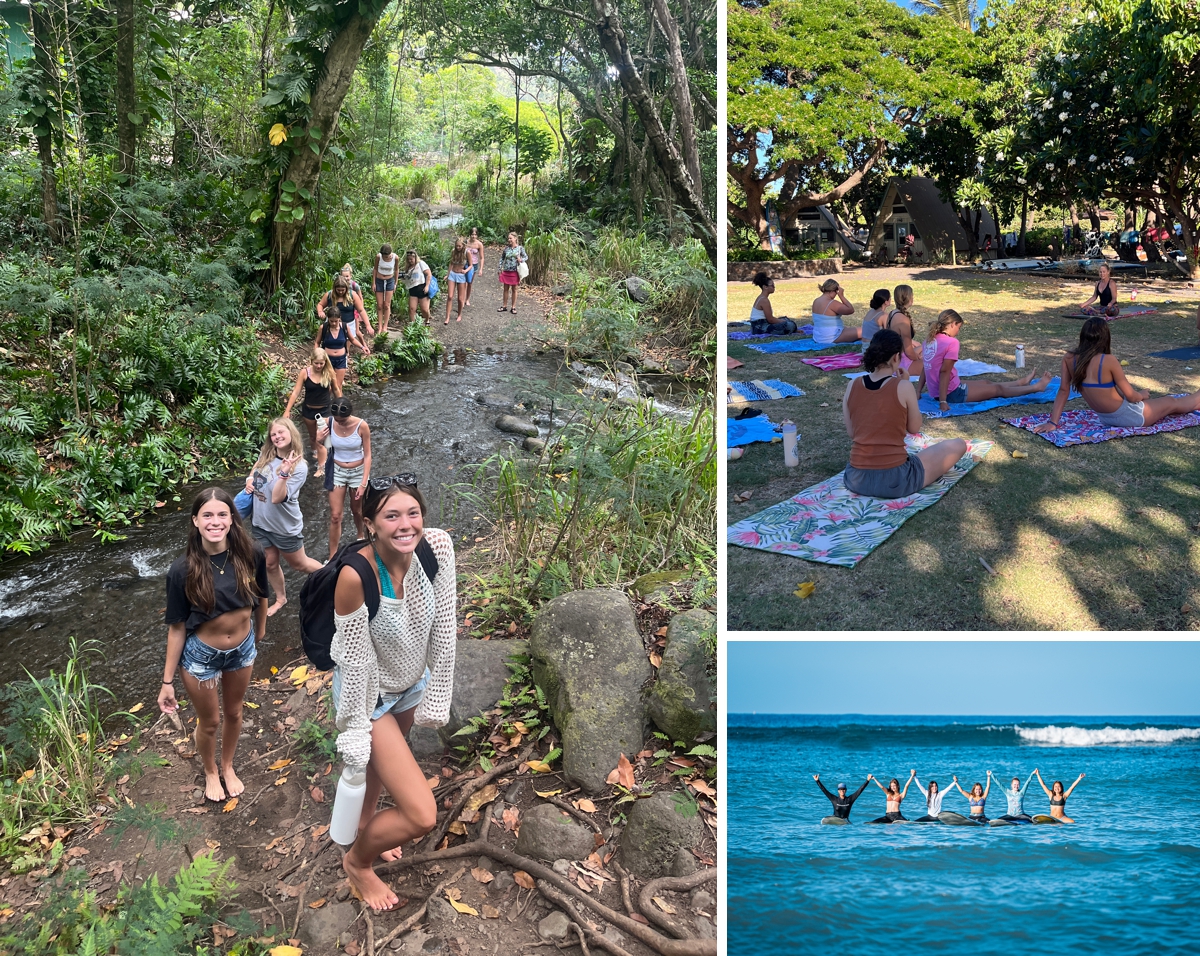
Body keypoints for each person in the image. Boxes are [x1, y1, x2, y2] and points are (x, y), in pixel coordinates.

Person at [331, 475, 456, 909]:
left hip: (410, 684)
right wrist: (356, 730)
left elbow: (444, 625)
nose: (405, 525)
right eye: (391, 516)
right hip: (370, 695)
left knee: (383, 770)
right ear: (370, 524)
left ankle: (367, 825)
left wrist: (435, 690)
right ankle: (357, 863)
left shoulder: (436, 547)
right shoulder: (355, 576)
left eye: (413, 513)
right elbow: (355, 665)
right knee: (421, 815)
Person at [159, 488, 267, 802]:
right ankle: (209, 770)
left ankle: (228, 765)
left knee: (234, 713)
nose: (215, 521)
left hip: (243, 649)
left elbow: (261, 597)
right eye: (207, 515)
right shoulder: (182, 570)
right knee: (211, 720)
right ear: (195, 521)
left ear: (233, 519)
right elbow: (177, 628)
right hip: (201, 657)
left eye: (222, 514)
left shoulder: (252, 553)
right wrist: (167, 682)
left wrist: (259, 632)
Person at [840, 330, 970, 499]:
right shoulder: (903, 386)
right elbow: (914, 427)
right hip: (895, 480)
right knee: (958, 444)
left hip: (855, 478)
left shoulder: (852, 385)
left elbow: (852, 433)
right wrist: (905, 386)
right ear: (896, 357)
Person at [1034, 317, 1200, 433]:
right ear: (1105, 338)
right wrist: (1142, 394)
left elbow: (1063, 391)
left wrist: (1052, 423)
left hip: (1106, 419)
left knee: (1169, 407)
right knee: (1171, 401)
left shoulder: (1069, 358)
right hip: (1132, 417)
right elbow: (1132, 397)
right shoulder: (1108, 360)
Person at [246, 418, 323, 616]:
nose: (278, 437)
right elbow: (256, 467)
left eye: (281, 432)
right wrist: (249, 478)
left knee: (300, 564)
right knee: (270, 563)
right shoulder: (267, 454)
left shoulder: (300, 467)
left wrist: (284, 473)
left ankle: (331, 574)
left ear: (291, 434)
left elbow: (277, 497)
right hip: (261, 523)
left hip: (284, 527)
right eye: (274, 434)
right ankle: (281, 598)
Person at [917, 309, 1051, 411]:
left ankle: (1020, 382)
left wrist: (918, 391)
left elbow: (926, 367)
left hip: (942, 389)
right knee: (997, 389)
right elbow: (944, 372)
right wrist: (943, 401)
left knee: (986, 382)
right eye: (959, 327)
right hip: (951, 393)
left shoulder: (929, 340)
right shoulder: (952, 342)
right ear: (952, 324)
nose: (958, 331)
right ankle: (1035, 387)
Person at [317, 397, 372, 559]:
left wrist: (363, 483)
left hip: (358, 471)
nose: (339, 423)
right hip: (337, 470)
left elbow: (368, 455)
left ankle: (361, 536)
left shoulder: (362, 426)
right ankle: (333, 556)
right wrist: (320, 439)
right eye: (337, 420)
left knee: (357, 510)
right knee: (335, 516)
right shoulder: (326, 422)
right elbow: (322, 445)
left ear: (350, 414)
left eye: (343, 420)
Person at [283, 348, 340, 470]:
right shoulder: (304, 373)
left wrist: (341, 404)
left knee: (322, 438)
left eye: (321, 363)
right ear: (311, 361)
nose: (319, 366)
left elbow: (336, 389)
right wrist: (287, 410)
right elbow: (296, 392)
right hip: (308, 410)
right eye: (316, 363)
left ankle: (322, 466)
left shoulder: (329, 372)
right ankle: (316, 455)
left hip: (325, 410)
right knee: (313, 436)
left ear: (325, 362)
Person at [315, 300, 366, 393]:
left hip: (341, 360)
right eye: (331, 321)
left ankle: (339, 405)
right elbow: (317, 342)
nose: (334, 323)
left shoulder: (345, 327)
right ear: (328, 319)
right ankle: (325, 404)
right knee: (327, 385)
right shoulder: (324, 328)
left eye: (336, 321)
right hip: (327, 360)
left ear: (340, 319)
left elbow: (352, 339)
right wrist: (316, 355)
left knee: (338, 386)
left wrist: (362, 347)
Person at [317, 275, 371, 343]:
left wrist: (368, 325)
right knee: (330, 342)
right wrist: (320, 311)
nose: (340, 292)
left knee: (347, 343)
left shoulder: (353, 295)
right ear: (334, 288)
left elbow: (361, 310)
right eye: (338, 290)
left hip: (349, 324)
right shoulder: (329, 295)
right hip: (332, 323)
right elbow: (320, 304)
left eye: (342, 290)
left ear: (346, 288)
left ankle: (347, 353)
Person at [885, 285, 923, 379]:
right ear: (909, 297)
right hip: (901, 362)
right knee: (937, 364)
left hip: (893, 358)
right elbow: (909, 352)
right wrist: (917, 358)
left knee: (924, 347)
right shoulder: (903, 319)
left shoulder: (892, 313)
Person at [811, 279, 860, 345]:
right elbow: (850, 310)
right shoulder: (831, 303)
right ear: (832, 291)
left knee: (851, 329)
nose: (836, 294)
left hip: (818, 336)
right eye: (836, 292)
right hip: (830, 337)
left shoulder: (816, 301)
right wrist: (841, 296)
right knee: (866, 330)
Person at [338, 263, 375, 338]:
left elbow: (360, 298)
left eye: (347, 276)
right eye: (343, 276)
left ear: (350, 276)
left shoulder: (355, 285)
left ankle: (361, 343)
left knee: (356, 330)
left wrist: (360, 311)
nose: (345, 278)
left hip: (355, 308)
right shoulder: (338, 285)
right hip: (346, 309)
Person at [497, 232, 528, 315]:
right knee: (505, 288)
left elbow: (526, 257)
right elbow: (502, 258)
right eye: (508, 238)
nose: (509, 240)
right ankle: (504, 306)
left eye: (511, 238)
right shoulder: (506, 249)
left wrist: (520, 259)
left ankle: (513, 307)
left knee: (514, 289)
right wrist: (499, 268)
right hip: (506, 270)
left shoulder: (520, 248)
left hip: (515, 271)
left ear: (515, 238)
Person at [402, 249, 434, 326]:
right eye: (408, 259)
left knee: (424, 309)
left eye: (411, 259)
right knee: (412, 309)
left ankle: (427, 320)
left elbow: (429, 274)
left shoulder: (421, 264)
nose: (410, 261)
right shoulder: (408, 268)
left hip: (422, 288)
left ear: (415, 258)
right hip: (412, 289)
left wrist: (427, 286)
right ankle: (413, 325)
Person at [374, 244, 400, 334]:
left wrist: (395, 283)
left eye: (387, 256)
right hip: (379, 280)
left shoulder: (395, 258)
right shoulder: (378, 257)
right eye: (384, 256)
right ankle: (380, 326)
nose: (386, 257)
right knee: (380, 305)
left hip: (389, 280)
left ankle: (385, 326)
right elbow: (375, 269)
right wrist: (373, 283)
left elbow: (397, 270)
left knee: (386, 305)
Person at [444, 237, 470, 325]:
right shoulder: (453, 251)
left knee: (460, 298)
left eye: (459, 246)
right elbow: (451, 263)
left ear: (463, 246)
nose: (458, 248)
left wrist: (466, 271)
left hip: (461, 276)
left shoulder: (467, 253)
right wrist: (447, 275)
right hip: (452, 274)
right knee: (450, 296)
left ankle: (459, 314)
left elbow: (471, 265)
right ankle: (447, 316)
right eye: (456, 246)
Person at [464, 227, 485, 308]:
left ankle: (467, 299)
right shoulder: (466, 242)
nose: (473, 236)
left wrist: (481, 269)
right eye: (472, 234)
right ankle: (462, 298)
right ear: (470, 234)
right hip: (465, 263)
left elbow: (482, 257)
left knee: (469, 282)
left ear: (477, 235)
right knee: (463, 282)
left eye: (475, 234)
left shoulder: (479, 244)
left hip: (474, 265)